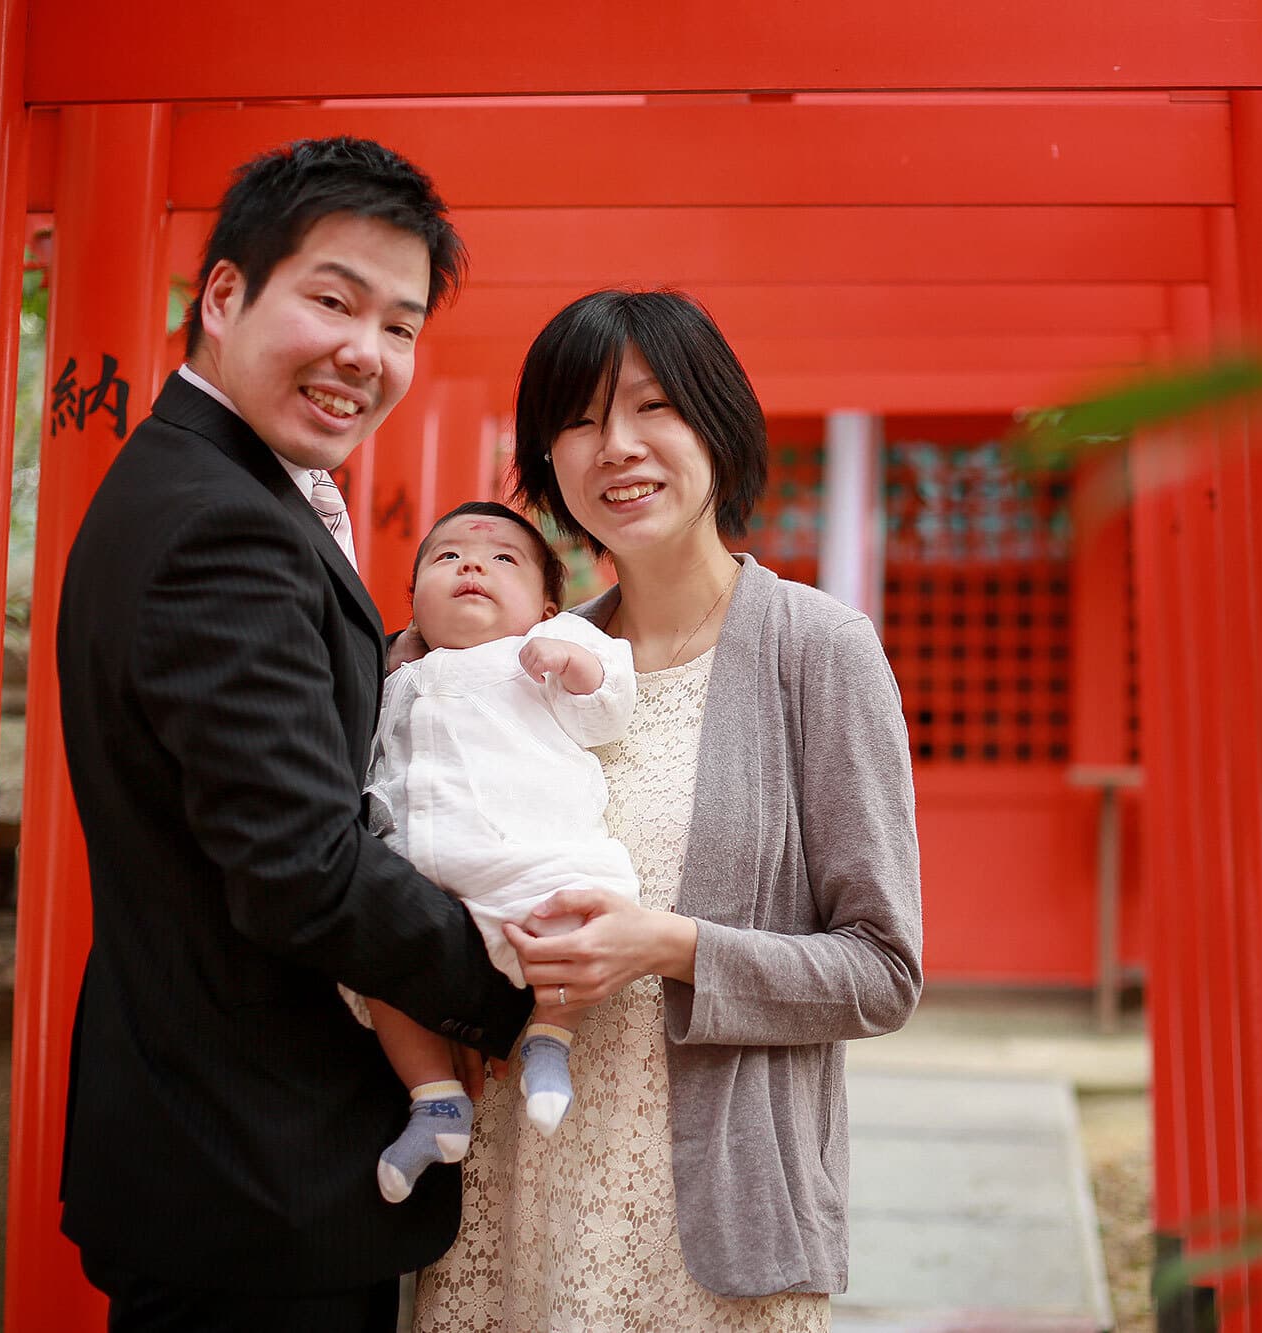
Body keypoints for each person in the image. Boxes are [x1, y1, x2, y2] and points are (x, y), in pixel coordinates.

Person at [54, 137, 533, 1331]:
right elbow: (300, 870)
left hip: (221, 1149)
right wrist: (517, 989)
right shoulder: (221, 527)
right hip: (256, 1168)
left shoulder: (211, 485)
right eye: (331, 299)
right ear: (223, 294)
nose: (364, 354)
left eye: (401, 326)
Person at [413, 289, 925, 1332]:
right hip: (509, 1206)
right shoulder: (517, 662)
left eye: (653, 407)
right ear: (543, 459)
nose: (617, 447)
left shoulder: (816, 652)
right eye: (580, 418)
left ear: (718, 425)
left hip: (708, 1237)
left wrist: (670, 945)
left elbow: (881, 970)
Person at [359, 501, 639, 1204]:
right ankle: (435, 1100)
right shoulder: (395, 673)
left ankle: (550, 1035)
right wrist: (391, 662)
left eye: (502, 559)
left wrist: (574, 664)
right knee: (373, 964)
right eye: (447, 557)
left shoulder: (546, 652)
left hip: (526, 857)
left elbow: (609, 705)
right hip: (420, 871)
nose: (473, 564)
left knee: (573, 922)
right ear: (415, 601)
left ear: (546, 605)